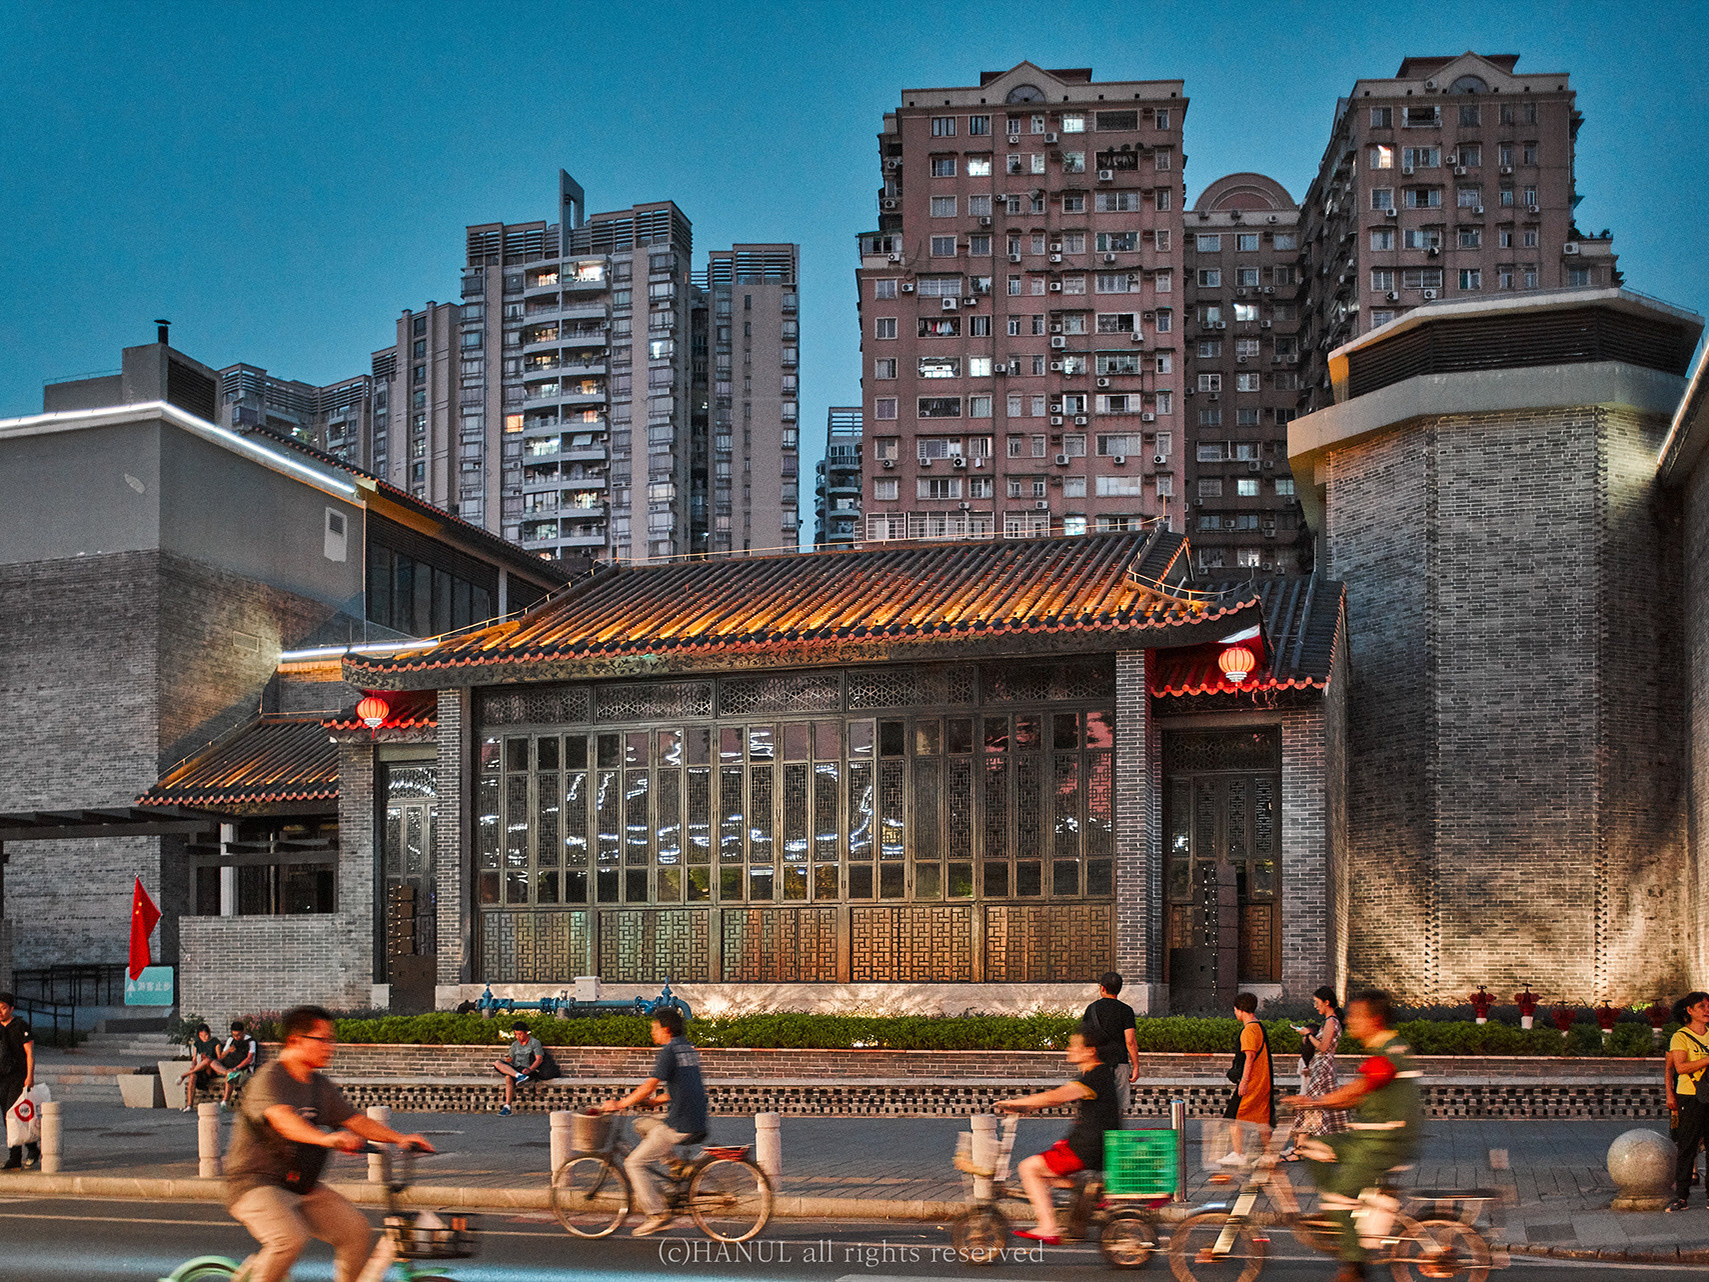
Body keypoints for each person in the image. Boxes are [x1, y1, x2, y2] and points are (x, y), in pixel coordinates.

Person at [224, 1004, 435, 1282]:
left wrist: (400, 1138)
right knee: (289, 1239)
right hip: (256, 1183)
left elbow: (354, 1120)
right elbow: (283, 1120)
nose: (330, 1047)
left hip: (302, 1185)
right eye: (322, 1040)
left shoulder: (319, 1085)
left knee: (356, 1231)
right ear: (295, 1041)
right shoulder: (270, 1078)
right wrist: (327, 1138)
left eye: (331, 1040)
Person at [1284, 989, 1423, 1282]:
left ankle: (1354, 1265)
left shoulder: (1389, 1051)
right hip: (1366, 1138)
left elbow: (1359, 1088)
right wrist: (1320, 1102)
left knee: (1336, 1196)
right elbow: (1356, 1096)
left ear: (1375, 1019)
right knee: (1312, 1146)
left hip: (1383, 1143)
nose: (1349, 1020)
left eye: (1357, 1015)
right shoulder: (1382, 1049)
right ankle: (1340, 1215)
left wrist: (1314, 1101)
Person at [993, 1024, 1120, 1245]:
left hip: (1086, 1149)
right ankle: (1088, 1193)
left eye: (1074, 1045)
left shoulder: (1095, 1077)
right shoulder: (1098, 1074)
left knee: (1029, 1168)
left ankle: (1048, 1227)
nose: (1069, 1049)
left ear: (1090, 1051)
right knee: (1048, 1174)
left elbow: (1056, 1097)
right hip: (1090, 1146)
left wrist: (1015, 1103)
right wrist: (1027, 1107)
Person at [598, 1006, 708, 1238]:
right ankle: (676, 1165)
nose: (652, 1032)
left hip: (680, 1124)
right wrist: (655, 1102)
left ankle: (657, 1214)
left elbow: (649, 1085)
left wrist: (619, 1104)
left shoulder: (669, 1051)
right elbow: (684, 1087)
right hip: (695, 1117)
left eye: (654, 1028)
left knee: (633, 1164)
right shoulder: (687, 1048)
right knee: (641, 1124)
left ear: (666, 1029)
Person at [1283, 986, 1349, 1159]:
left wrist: (1308, 1035)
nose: (1315, 1006)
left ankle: (1300, 1149)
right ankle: (1306, 1148)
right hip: (1324, 1067)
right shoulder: (1331, 1021)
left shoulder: (1331, 1022)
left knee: (1311, 1105)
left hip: (1323, 1067)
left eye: (1317, 1002)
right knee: (1322, 1106)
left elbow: (1323, 1047)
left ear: (1327, 1002)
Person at [1218, 992, 1274, 1166]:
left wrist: (1244, 1081)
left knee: (1234, 1116)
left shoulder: (1248, 1030)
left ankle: (1238, 1153)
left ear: (1240, 1009)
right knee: (1262, 1118)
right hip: (1262, 1080)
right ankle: (1269, 1154)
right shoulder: (1259, 1027)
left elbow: (1249, 1057)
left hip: (1252, 1082)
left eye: (1235, 1009)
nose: (1235, 1013)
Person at [1665, 991, 1709, 1212]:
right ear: (1690, 1011)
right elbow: (1680, 1067)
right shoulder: (1680, 1036)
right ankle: (1681, 1196)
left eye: (1708, 1006)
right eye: (1702, 1006)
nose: (1707, 1010)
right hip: (1690, 1095)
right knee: (1687, 1146)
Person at [1082, 971, 1140, 1116]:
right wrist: (1136, 1066)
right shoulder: (1126, 1010)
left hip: (1096, 1065)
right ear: (1119, 989)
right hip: (1119, 1064)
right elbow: (1130, 1041)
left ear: (1102, 988)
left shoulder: (1091, 1009)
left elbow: (1086, 1040)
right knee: (1118, 1108)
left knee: (1096, 1105)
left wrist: (1085, 1065)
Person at [0, 992, 37, 1171]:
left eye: (3, 1008)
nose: (0, 1012)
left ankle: (20, 1154)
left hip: (18, 1077)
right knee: (7, 1118)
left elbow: (30, 1053)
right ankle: (26, 1151)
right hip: (2, 1077)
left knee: (15, 1115)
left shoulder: (20, 1025)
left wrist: (30, 1077)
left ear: (11, 1009)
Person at [494, 1021, 546, 1117]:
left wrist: (530, 1069)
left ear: (526, 1033)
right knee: (497, 1063)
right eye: (516, 1034)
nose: (518, 1037)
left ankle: (507, 1106)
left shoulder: (534, 1042)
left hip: (528, 1069)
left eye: (520, 1034)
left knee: (508, 1077)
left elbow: (539, 1059)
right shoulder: (514, 1045)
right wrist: (509, 1060)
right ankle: (519, 1077)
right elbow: (511, 1059)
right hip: (516, 1068)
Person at [178, 1023, 220, 1112]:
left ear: (209, 1033)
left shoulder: (215, 1042)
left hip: (210, 1068)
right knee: (192, 1076)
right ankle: (189, 1105)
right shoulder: (197, 1044)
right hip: (199, 1067)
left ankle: (184, 1075)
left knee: (207, 1060)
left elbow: (219, 1058)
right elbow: (194, 1059)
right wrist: (193, 1065)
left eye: (206, 1035)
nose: (204, 1038)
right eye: (201, 1036)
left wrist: (208, 1058)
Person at [219, 1019, 259, 1111]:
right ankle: (226, 1072)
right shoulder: (231, 1040)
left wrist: (236, 1068)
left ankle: (224, 1101)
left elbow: (249, 1059)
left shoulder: (250, 1041)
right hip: (231, 1066)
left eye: (238, 1035)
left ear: (243, 1032)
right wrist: (228, 1050)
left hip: (245, 1070)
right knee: (214, 1063)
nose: (236, 1037)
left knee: (229, 1075)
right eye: (234, 1035)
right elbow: (222, 1055)